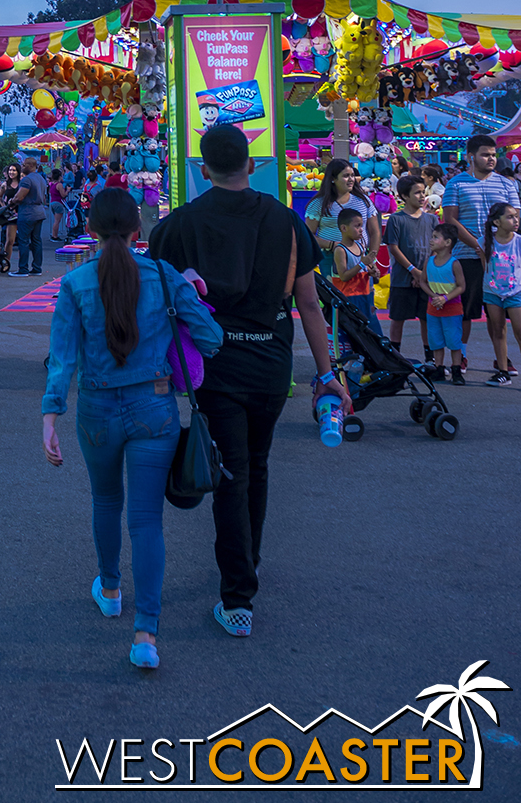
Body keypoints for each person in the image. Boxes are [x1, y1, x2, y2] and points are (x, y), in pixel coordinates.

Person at [150, 123, 351, 637]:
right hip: (271, 363)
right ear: (252, 164)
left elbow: (157, 302)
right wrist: (327, 375)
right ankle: (247, 567)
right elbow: (309, 303)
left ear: (202, 167)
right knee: (253, 467)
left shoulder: (177, 226)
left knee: (232, 473)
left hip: (212, 367)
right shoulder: (285, 221)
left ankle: (238, 598)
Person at [43, 188, 223, 669]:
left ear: (92, 230)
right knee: (146, 522)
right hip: (154, 407)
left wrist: (50, 417)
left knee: (106, 501)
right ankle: (146, 634)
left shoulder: (76, 283)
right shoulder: (164, 277)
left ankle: (110, 588)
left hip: (97, 409)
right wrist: (192, 290)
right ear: (137, 230)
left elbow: (60, 359)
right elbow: (210, 339)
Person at [441, 134, 518, 366]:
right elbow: (450, 221)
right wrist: (478, 245)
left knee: (499, 312)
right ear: (471, 156)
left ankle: (501, 359)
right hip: (467, 256)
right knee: (465, 309)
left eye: (494, 155)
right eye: (485, 155)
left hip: (502, 259)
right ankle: (461, 355)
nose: (491, 159)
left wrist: (496, 246)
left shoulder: (507, 183)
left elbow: (516, 218)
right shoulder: (456, 183)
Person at [386, 173, 433, 361]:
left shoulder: (431, 220)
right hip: (402, 278)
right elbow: (394, 248)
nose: (422, 197)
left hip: (427, 278)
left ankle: (430, 359)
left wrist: (424, 274)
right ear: (404, 196)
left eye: (423, 192)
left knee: (426, 319)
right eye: (417, 193)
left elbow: (435, 248)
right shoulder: (396, 220)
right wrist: (414, 270)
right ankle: (394, 358)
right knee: (398, 318)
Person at [305, 159, 378, 265]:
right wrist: (333, 245)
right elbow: (308, 235)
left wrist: (371, 258)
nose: (351, 179)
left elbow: (375, 232)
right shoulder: (318, 204)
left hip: (361, 259)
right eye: (346, 176)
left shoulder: (364, 202)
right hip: (330, 258)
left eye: (352, 175)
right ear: (333, 179)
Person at [482, 201, 521, 386]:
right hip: (492, 292)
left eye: (516, 216)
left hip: (516, 292)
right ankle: (503, 371)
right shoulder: (484, 241)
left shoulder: (519, 241)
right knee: (498, 330)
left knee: (519, 330)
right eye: (510, 216)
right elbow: (484, 264)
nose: (515, 220)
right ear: (496, 222)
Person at [424, 220, 466, 384]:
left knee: (454, 340)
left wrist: (445, 298)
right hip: (433, 307)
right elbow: (422, 282)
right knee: (435, 340)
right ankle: (439, 369)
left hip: (452, 307)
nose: (431, 240)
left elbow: (461, 286)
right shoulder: (428, 261)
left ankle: (456, 370)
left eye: (436, 237)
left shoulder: (454, 263)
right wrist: (434, 296)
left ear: (448, 243)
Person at [330, 208, 382, 337]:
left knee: (373, 332)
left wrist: (372, 272)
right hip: (350, 298)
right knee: (354, 332)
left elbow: (363, 269)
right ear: (344, 228)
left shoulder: (360, 246)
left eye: (362, 226)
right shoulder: (340, 250)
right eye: (357, 226)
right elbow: (343, 276)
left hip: (365, 295)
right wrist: (362, 264)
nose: (361, 229)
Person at [11, 157, 49, 277]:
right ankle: (37, 268)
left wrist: (12, 201)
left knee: (23, 241)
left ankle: (23, 269)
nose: (22, 167)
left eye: (24, 165)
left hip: (27, 213)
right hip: (39, 212)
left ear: (30, 166)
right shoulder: (41, 178)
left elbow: (20, 197)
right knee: (36, 241)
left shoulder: (26, 180)